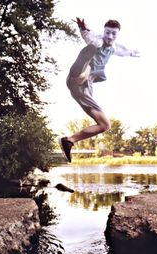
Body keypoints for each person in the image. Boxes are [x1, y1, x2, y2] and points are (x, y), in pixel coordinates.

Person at [59, 18, 140, 162]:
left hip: (83, 90)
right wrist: (82, 28)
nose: (109, 37)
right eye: (107, 33)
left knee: (104, 125)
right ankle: (79, 71)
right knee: (90, 57)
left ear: (117, 35)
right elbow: (88, 35)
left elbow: (124, 51)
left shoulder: (114, 48)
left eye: (113, 34)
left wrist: (134, 52)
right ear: (104, 31)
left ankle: (69, 141)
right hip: (79, 78)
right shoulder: (97, 40)